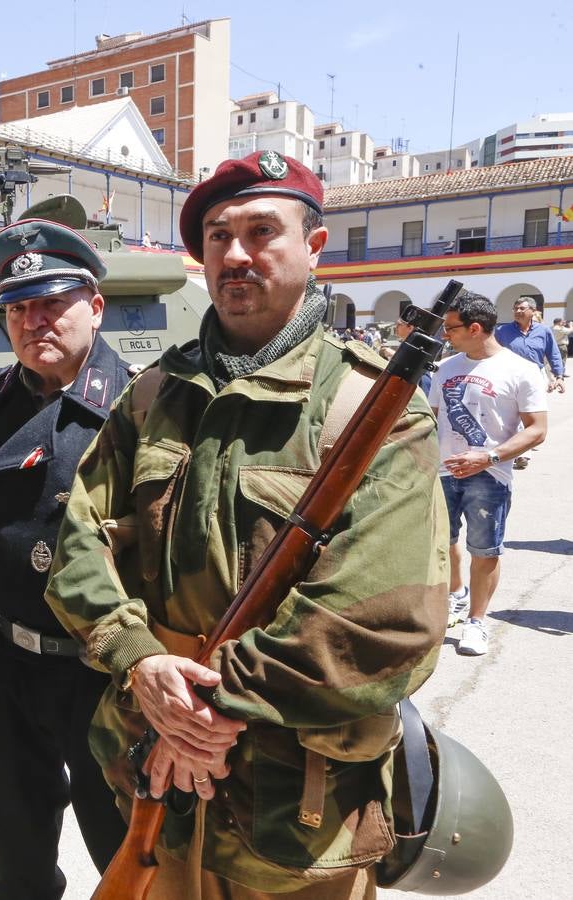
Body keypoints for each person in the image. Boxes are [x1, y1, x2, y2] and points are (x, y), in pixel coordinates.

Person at [44, 150, 448, 898]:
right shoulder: (153, 396)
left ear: (313, 246)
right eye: (217, 237)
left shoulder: (373, 410)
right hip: (157, 778)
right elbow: (78, 543)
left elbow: (382, 618)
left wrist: (201, 713)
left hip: (295, 817)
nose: (236, 254)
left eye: (263, 231)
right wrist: (140, 660)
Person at [0, 220, 129, 899]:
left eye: (51, 302)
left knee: (126, 845)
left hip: (105, 670)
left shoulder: (141, 403)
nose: (33, 321)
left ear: (95, 307)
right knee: (12, 839)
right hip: (11, 664)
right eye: (18, 307)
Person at [429, 291, 548, 656]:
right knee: (442, 545)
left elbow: (536, 429)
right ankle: (455, 595)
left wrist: (490, 456)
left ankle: (477, 622)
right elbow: (432, 419)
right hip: (442, 473)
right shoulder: (446, 368)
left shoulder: (520, 370)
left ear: (475, 328)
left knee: (484, 551)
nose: (445, 335)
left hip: (490, 476)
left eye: (450, 328)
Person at [495, 296, 565, 393]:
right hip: (510, 379)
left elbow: (553, 354)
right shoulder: (501, 331)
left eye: (522, 308)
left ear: (533, 311)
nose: (517, 311)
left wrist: (559, 377)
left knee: (536, 408)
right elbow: (492, 354)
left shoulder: (544, 331)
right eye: (515, 309)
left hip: (536, 378)